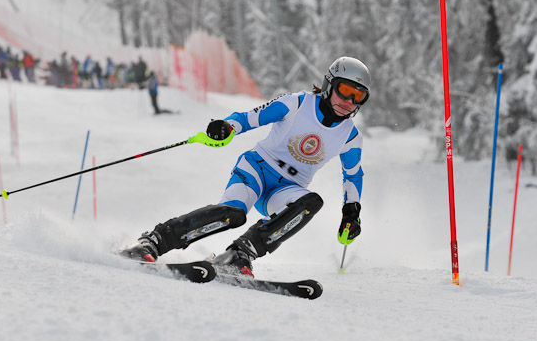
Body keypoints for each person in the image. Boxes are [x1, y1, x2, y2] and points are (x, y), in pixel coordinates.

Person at [118, 56, 369, 277]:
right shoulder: (297, 104)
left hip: (287, 189)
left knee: (312, 203)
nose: (349, 100)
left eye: (358, 96)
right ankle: (153, 241)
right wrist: (226, 127)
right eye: (345, 90)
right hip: (257, 170)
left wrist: (351, 211)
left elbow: (353, 176)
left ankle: (240, 254)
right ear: (328, 85)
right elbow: (249, 118)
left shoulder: (350, 136)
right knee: (233, 214)